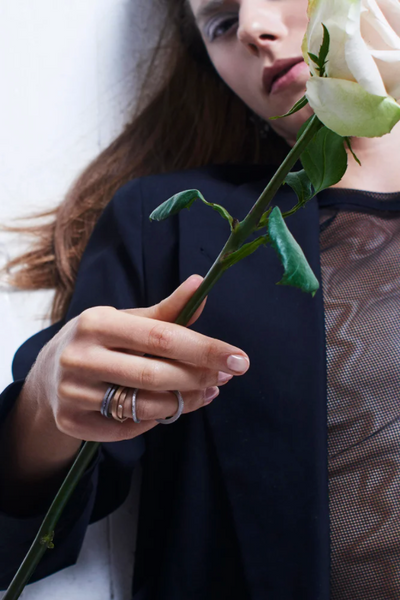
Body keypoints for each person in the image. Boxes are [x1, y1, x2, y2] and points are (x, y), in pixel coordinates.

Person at [1, 0, 400, 598]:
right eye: (218, 22)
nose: (251, 29)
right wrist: (43, 402)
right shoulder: (177, 227)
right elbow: (28, 522)